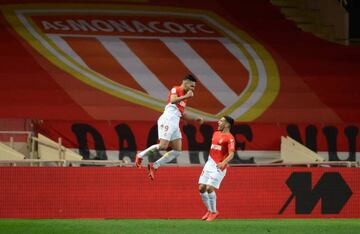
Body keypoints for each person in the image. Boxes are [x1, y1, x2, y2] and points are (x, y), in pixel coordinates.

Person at [135, 74, 204, 180]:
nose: (193, 89)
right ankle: (140, 156)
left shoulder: (184, 98)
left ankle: (155, 166)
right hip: (168, 120)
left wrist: (195, 118)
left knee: (177, 151)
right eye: (192, 86)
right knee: (163, 146)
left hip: (174, 123)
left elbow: (181, 114)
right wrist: (186, 96)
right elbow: (172, 100)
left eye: (194, 87)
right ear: (185, 83)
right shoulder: (176, 89)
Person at [198, 116, 235, 222]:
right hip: (209, 164)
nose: (218, 122)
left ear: (227, 124)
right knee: (201, 188)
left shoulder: (230, 138)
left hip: (219, 166)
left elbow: (231, 154)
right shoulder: (215, 133)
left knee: (209, 188)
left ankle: (214, 212)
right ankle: (209, 210)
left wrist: (223, 162)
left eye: (221, 121)